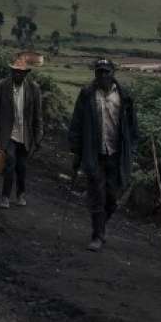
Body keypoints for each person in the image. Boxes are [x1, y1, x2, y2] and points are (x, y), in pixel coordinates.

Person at [68, 58, 138, 251]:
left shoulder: (124, 96)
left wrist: (132, 149)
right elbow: (77, 122)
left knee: (112, 197)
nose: (103, 75)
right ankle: (97, 235)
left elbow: (132, 127)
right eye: (99, 72)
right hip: (94, 152)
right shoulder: (87, 94)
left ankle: (101, 226)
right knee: (97, 194)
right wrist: (75, 149)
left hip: (116, 154)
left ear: (113, 73)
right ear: (95, 74)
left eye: (106, 72)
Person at [0, 51, 44, 209]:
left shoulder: (34, 89)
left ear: (26, 73)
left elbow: (38, 115)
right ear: (11, 71)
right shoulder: (2, 86)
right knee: (10, 164)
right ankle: (5, 196)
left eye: (21, 72)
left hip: (25, 134)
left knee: (21, 167)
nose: (18, 74)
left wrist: (38, 137)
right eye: (15, 71)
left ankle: (21, 193)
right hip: (9, 134)